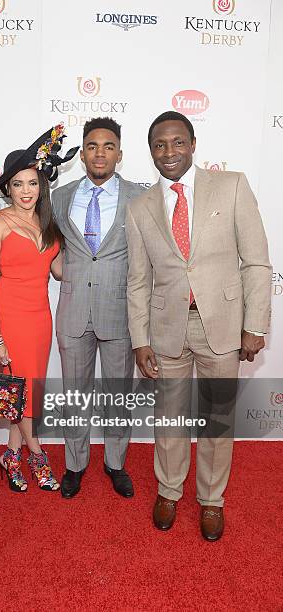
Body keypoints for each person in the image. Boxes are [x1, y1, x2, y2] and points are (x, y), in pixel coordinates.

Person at [126, 110, 272, 540]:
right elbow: (138, 280)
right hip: (167, 329)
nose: (168, 151)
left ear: (192, 144)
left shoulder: (231, 186)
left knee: (216, 418)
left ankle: (211, 500)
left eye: (177, 142)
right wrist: (139, 339)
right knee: (168, 419)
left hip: (224, 327)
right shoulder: (140, 208)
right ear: (151, 151)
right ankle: (169, 490)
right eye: (159, 145)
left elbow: (257, 261)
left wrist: (255, 325)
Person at [0, 125, 78, 493]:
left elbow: (57, 270)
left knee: (26, 391)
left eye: (32, 183)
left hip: (40, 318)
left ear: (42, 185)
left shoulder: (48, 223)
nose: (25, 191)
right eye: (17, 184)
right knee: (19, 392)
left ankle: (10, 454)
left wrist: (93, 256)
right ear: (6, 188)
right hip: (9, 317)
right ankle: (37, 453)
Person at [52, 117, 145, 499]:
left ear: (119, 154)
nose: (100, 152)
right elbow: (50, 247)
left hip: (120, 313)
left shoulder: (141, 197)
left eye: (108, 146)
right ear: (83, 152)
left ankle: (115, 463)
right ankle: (75, 465)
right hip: (73, 313)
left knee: (118, 396)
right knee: (75, 395)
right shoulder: (60, 196)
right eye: (92, 146)